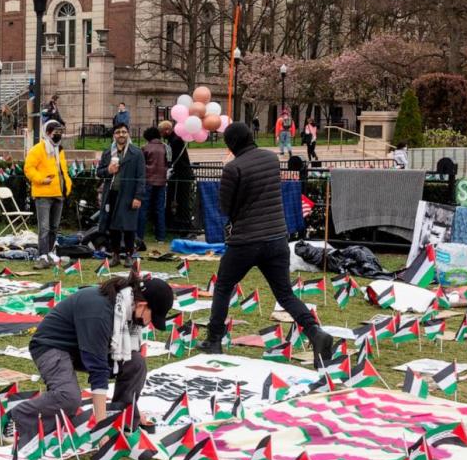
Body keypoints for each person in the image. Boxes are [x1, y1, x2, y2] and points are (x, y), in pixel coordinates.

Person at [200, 123, 334, 367]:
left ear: (232, 144)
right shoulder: (272, 158)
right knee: (284, 294)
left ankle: (214, 338)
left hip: (246, 240)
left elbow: (225, 208)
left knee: (223, 287)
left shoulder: (233, 168)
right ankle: (315, 332)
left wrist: (228, 174)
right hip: (276, 238)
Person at [9, 274, 173, 439]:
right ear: (142, 305)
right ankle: (18, 417)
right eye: (152, 317)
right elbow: (98, 370)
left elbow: (117, 354)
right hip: (50, 345)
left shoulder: (124, 306)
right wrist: (102, 430)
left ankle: (123, 416)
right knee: (69, 398)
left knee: (136, 363)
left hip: (79, 346)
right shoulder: (101, 313)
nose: (149, 323)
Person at [24, 120, 72, 269]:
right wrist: (40, 179)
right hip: (43, 193)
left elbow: (63, 170)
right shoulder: (38, 149)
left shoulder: (60, 150)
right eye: (55, 132)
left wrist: (68, 186)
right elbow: (28, 168)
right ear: (47, 132)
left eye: (60, 132)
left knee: (54, 226)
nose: (58, 135)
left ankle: (50, 252)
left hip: (59, 193)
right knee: (44, 227)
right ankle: (42, 255)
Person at [97, 123, 146, 263]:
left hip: (129, 195)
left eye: (124, 132)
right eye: (118, 132)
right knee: (113, 227)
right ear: (114, 135)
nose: (121, 134)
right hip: (111, 194)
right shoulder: (108, 152)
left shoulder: (136, 153)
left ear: (128, 134)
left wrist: (138, 197)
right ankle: (116, 255)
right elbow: (99, 173)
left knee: (129, 227)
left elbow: (141, 177)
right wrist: (108, 170)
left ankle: (130, 255)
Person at [138, 126, 168, 245]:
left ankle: (140, 236)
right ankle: (161, 237)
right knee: (159, 209)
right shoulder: (165, 147)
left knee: (143, 209)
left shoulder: (145, 148)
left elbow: (141, 164)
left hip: (148, 181)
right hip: (162, 181)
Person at [162, 121, 193, 232]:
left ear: (167, 130)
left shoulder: (176, 140)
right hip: (179, 173)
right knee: (178, 199)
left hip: (182, 173)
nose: (161, 135)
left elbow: (175, 157)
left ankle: (184, 225)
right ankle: (178, 223)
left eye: (162, 132)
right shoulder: (173, 140)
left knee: (183, 199)